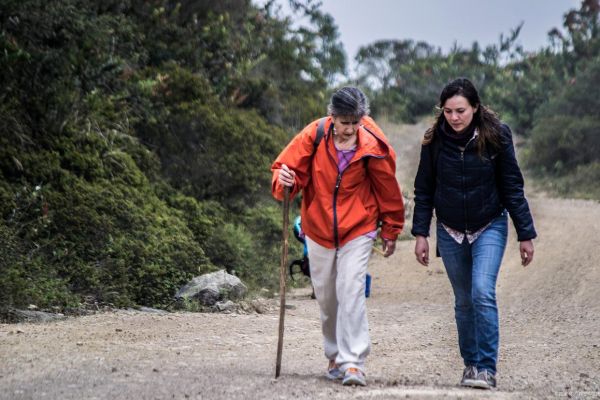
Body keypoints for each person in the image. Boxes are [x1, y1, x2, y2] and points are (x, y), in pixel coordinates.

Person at [271, 86, 405, 386]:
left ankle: (353, 362)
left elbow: (387, 187)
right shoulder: (314, 135)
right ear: (332, 116)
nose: (351, 129)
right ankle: (333, 355)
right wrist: (285, 179)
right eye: (345, 122)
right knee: (327, 297)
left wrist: (391, 228)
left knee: (351, 290)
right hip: (318, 228)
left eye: (356, 122)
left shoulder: (372, 144)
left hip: (359, 226)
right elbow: (286, 170)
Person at [411, 78, 537, 390]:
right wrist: (421, 233)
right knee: (464, 300)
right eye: (448, 111)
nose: (454, 117)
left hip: (489, 224)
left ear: (475, 108)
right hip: (450, 229)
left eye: (461, 111)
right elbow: (424, 190)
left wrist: (525, 233)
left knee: (482, 292)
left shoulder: (496, 136)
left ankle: (487, 368)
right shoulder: (433, 141)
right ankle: (471, 365)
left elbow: (512, 186)